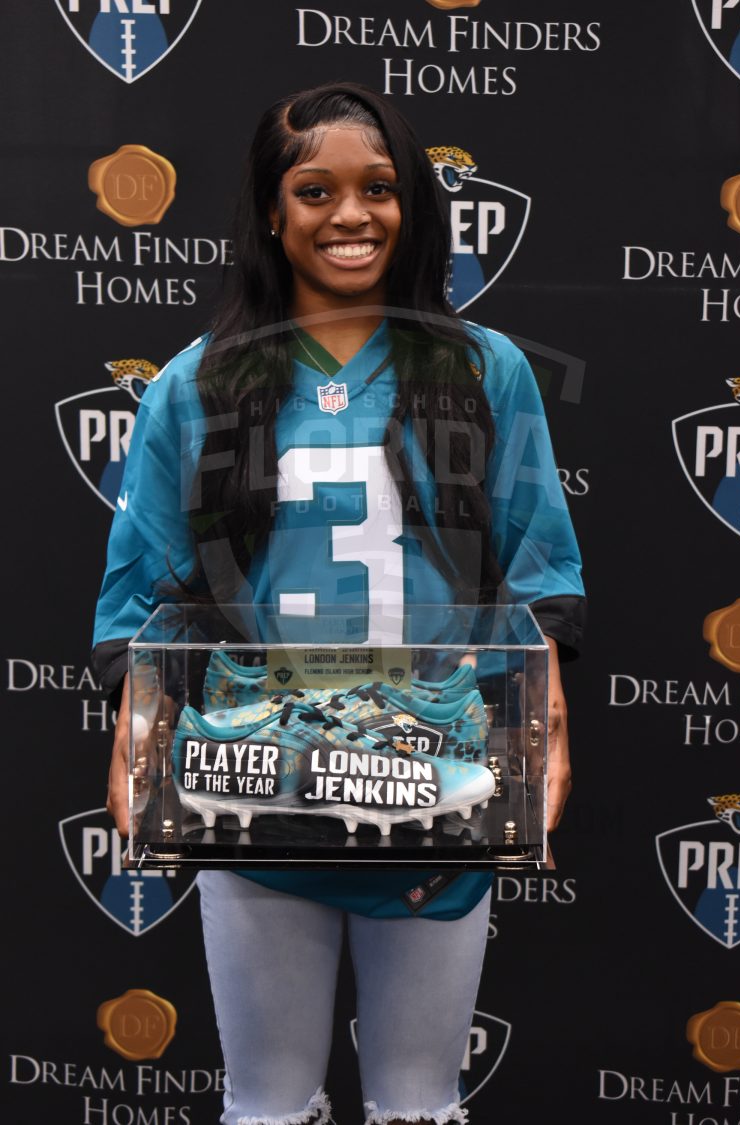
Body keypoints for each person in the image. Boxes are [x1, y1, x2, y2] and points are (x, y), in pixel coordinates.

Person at [93, 83, 585, 1125]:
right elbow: (147, 585)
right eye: (315, 189)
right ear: (272, 210)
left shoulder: (483, 369)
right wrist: (135, 739)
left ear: (416, 207)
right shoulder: (198, 381)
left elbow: (531, 573)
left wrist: (548, 732)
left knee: (418, 1102)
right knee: (266, 1103)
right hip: (253, 768)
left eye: (379, 188)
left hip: (437, 771)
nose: (350, 215)